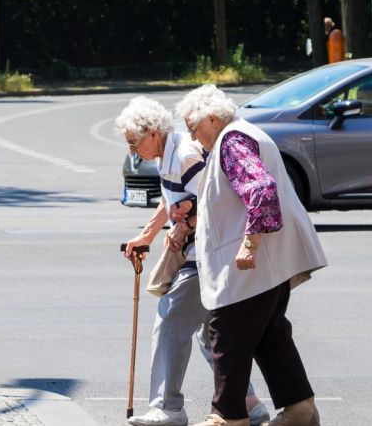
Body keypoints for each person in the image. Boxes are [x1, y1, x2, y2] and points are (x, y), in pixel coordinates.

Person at [174, 85, 328, 426]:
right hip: (269, 265)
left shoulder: (232, 140)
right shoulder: (245, 133)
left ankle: (227, 417)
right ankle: (300, 410)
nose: (194, 138)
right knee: (269, 335)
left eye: (193, 128)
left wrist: (250, 243)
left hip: (250, 267)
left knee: (226, 333)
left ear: (211, 120)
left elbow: (260, 189)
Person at [115, 96, 270, 426]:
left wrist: (186, 224)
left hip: (206, 252)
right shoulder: (166, 154)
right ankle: (247, 402)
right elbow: (170, 198)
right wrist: (148, 234)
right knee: (207, 331)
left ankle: (168, 407)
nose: (132, 151)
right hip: (198, 249)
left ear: (153, 132)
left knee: (171, 318)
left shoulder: (184, 155)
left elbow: (216, 201)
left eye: (133, 142)